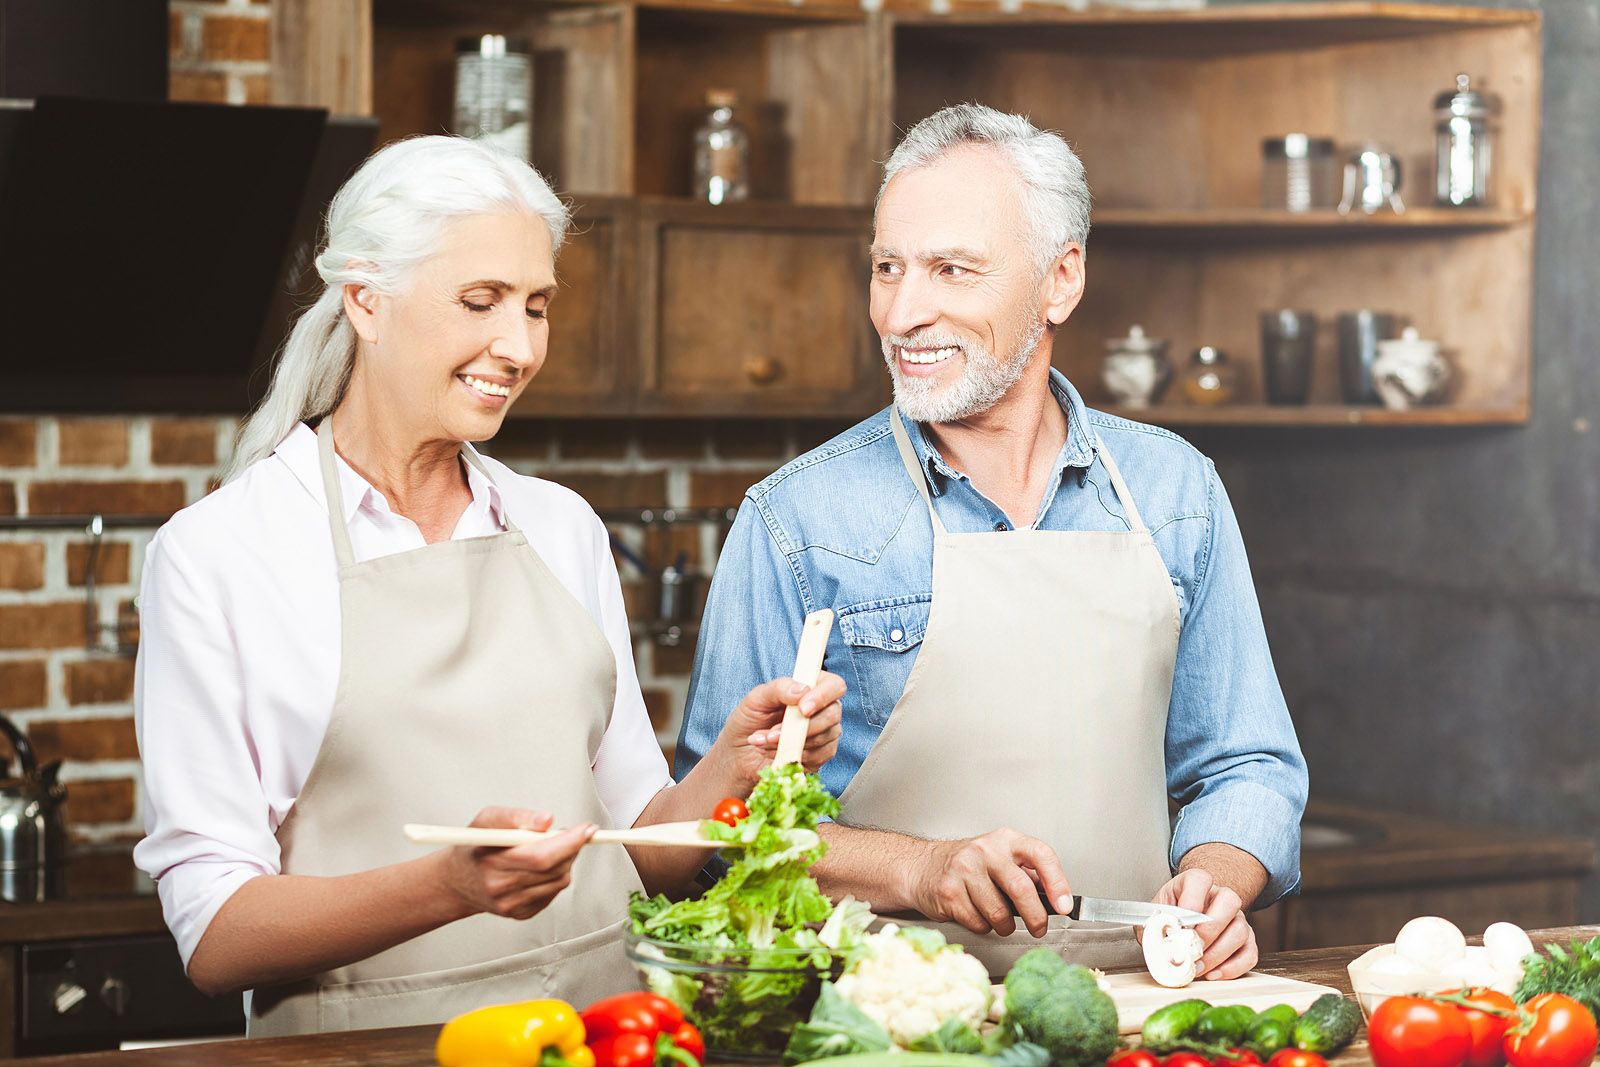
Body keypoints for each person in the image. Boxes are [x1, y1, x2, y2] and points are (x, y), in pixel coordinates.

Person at [133, 135, 845, 1036]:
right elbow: (215, 936)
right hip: (368, 1055)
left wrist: (735, 763)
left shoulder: (561, 526)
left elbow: (641, 846)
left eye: (537, 307)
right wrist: (449, 887)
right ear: (365, 300)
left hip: (603, 1039)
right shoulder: (220, 555)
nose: (518, 346)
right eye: (480, 302)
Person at [676, 105, 1307, 979]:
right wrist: (920, 869)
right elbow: (716, 835)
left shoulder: (1175, 492)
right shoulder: (797, 518)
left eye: (952, 269)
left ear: (1061, 280)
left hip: (1132, 1005)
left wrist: (1217, 883)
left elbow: (1247, 765)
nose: (903, 312)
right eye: (887, 268)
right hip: (880, 1020)